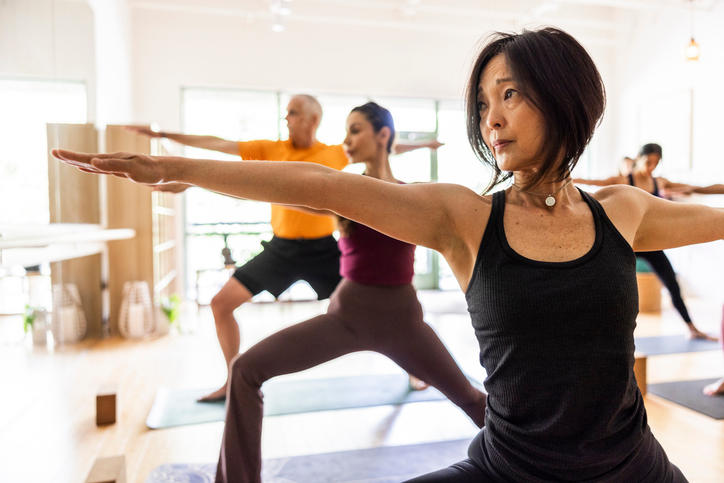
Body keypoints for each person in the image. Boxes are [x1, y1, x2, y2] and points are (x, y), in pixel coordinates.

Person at [53, 26, 724, 482]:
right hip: (510, 467)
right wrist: (184, 169)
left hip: (630, 466)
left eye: (510, 94)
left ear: (565, 95)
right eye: (483, 102)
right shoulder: (463, 217)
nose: (490, 119)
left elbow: (715, 218)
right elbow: (317, 183)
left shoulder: (623, 211)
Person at [128, 94, 442, 401]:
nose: (286, 118)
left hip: (325, 252)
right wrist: (164, 137)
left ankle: (415, 370)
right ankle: (232, 381)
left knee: (379, 310)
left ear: (313, 119)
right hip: (281, 251)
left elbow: (385, 146)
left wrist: (425, 145)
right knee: (221, 303)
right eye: (286, 113)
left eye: (292, 112)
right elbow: (218, 144)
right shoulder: (271, 149)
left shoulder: (337, 153)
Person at [575, 143, 720, 340]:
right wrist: (566, 180)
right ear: (639, 158)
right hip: (627, 243)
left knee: (672, 283)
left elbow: (697, 188)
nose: (652, 166)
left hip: (651, 243)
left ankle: (692, 328)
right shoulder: (623, 180)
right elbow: (595, 182)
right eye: (649, 161)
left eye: (656, 163)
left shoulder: (659, 182)